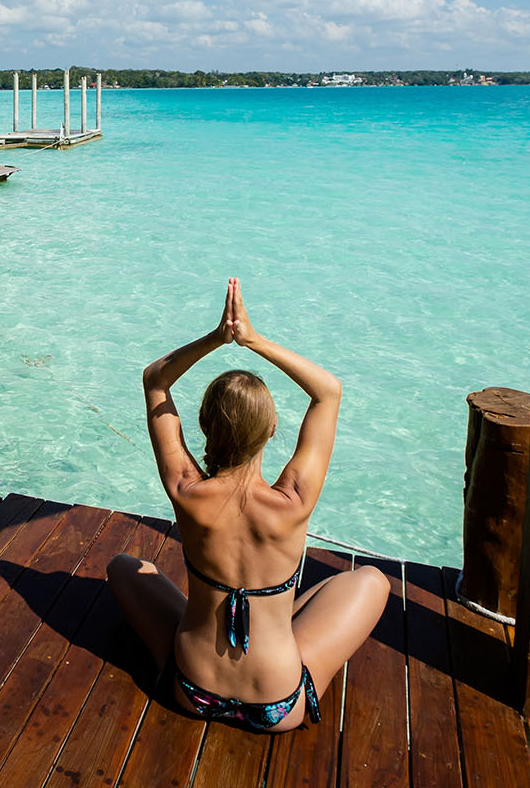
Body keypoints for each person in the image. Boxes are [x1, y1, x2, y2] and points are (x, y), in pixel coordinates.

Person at [107, 277, 389, 732]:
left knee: (123, 566)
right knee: (372, 581)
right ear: (272, 431)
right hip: (279, 703)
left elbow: (154, 379)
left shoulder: (185, 490)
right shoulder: (293, 501)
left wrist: (216, 339)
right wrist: (253, 340)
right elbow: (328, 391)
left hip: (191, 688)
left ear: (203, 426)